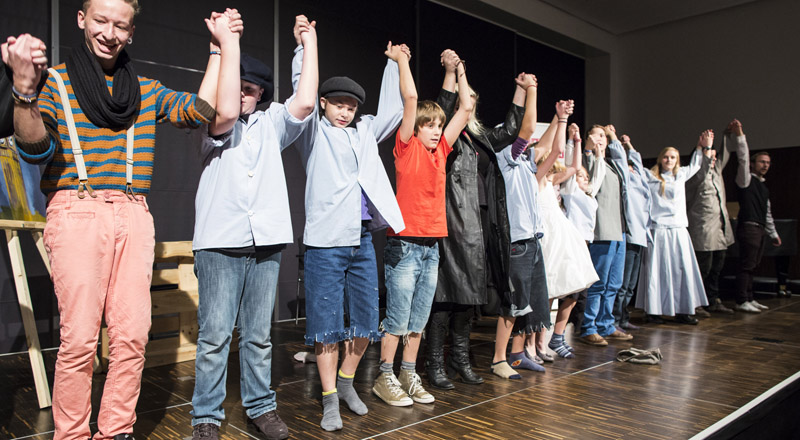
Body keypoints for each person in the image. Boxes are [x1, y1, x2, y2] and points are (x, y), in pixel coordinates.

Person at [4, 0, 221, 437]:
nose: (109, 33)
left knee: (132, 336)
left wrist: (219, 50)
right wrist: (25, 91)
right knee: (81, 341)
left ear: (132, 31)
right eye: (100, 21)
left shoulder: (145, 88)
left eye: (120, 25)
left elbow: (200, 111)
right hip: (76, 209)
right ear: (81, 19)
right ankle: (72, 433)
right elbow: (34, 151)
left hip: (133, 211)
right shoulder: (56, 84)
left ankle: (117, 428)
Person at [189, 13, 318, 440]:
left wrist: (307, 43)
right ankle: (206, 416)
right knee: (214, 338)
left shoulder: (271, 122)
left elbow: (305, 100)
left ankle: (260, 407)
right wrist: (227, 45)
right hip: (220, 243)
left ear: (260, 93)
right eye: (238, 87)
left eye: (249, 90)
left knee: (259, 337)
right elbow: (223, 111)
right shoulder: (213, 121)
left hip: (265, 244)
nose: (242, 97)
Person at [293, 41, 408, 431]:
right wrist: (302, 48)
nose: (345, 111)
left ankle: (345, 383)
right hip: (326, 241)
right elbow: (301, 96)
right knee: (326, 326)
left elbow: (393, 110)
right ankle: (328, 400)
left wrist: (394, 63)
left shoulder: (363, 131)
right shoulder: (313, 132)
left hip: (360, 240)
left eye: (351, 106)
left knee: (364, 322)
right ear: (325, 103)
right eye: (338, 103)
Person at [374, 47, 472, 406]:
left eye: (437, 125)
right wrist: (402, 59)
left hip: (431, 247)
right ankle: (384, 377)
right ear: (416, 128)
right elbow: (411, 97)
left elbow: (466, 108)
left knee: (419, 320)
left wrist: (459, 69)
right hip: (404, 245)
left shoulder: (442, 150)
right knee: (397, 318)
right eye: (428, 125)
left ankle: (408, 373)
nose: (435, 131)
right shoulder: (406, 147)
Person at [427, 52, 526, 390]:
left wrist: (523, 89)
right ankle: (435, 363)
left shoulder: (480, 138)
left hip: (480, 224)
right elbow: (448, 102)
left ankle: (460, 357)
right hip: (452, 219)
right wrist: (456, 71)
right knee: (445, 293)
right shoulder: (445, 137)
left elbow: (512, 129)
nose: (468, 104)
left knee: (468, 294)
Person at [490, 82, 553, 379]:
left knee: (529, 302)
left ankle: (516, 355)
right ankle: (498, 358)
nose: (526, 142)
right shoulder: (508, 158)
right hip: (516, 242)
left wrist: (560, 119)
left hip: (532, 240)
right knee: (513, 302)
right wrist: (532, 91)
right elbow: (527, 130)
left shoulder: (526, 164)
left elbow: (545, 146)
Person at [531, 110, 599, 361]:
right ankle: (538, 342)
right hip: (547, 234)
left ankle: (547, 340)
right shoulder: (536, 178)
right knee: (547, 291)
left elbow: (573, 167)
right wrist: (560, 121)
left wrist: (578, 141)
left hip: (561, 233)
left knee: (567, 284)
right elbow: (556, 153)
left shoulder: (550, 180)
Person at [635, 136, 709, 324]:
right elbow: (635, 165)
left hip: (677, 229)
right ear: (660, 159)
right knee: (657, 270)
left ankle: (684, 309)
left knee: (681, 269)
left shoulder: (681, 175)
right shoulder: (651, 176)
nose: (669, 160)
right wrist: (628, 147)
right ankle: (653, 311)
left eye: (673, 157)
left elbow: (696, 165)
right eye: (666, 157)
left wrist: (701, 147)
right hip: (658, 229)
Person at [581, 125, 635, 346]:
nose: (601, 140)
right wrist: (589, 147)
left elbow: (621, 157)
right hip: (602, 229)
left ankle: (606, 324)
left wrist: (612, 136)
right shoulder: (590, 161)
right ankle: (589, 327)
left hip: (619, 230)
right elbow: (587, 164)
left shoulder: (612, 164)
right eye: (597, 135)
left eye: (604, 136)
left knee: (614, 283)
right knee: (598, 282)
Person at [685, 123, 736, 315]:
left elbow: (726, 155)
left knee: (716, 269)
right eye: (710, 157)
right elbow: (700, 170)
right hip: (703, 231)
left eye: (714, 157)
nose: (714, 160)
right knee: (702, 270)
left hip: (720, 230)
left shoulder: (716, 173)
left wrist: (727, 136)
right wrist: (705, 149)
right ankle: (695, 304)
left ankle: (712, 300)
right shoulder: (695, 176)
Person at [732, 119, 781, 312]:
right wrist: (740, 135)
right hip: (749, 227)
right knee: (746, 265)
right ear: (753, 164)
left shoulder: (764, 187)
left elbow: (767, 213)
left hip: (760, 229)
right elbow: (743, 158)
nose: (765, 165)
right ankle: (741, 299)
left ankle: (749, 297)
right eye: (762, 162)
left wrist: (773, 233)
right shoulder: (745, 180)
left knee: (753, 265)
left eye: (768, 163)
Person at [612, 134, 652, 330]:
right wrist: (616, 141)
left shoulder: (640, 180)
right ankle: (615, 319)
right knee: (622, 284)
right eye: (630, 167)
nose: (633, 169)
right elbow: (620, 159)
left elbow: (638, 165)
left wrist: (630, 145)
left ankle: (623, 318)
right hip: (629, 235)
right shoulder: (627, 181)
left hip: (641, 237)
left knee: (630, 285)